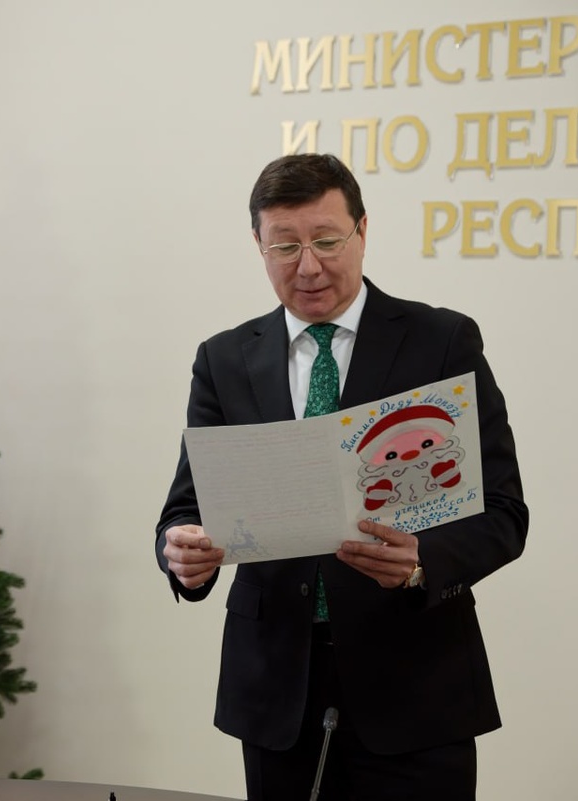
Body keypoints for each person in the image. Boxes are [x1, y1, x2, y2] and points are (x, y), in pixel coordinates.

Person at [155, 153, 528, 801]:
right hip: (278, 691)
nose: (308, 266)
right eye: (285, 245)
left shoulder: (440, 341)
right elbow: (189, 506)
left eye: (327, 240)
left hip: (415, 686)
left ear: (362, 230)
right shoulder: (224, 359)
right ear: (258, 244)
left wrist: (422, 561)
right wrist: (183, 552)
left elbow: (503, 512)